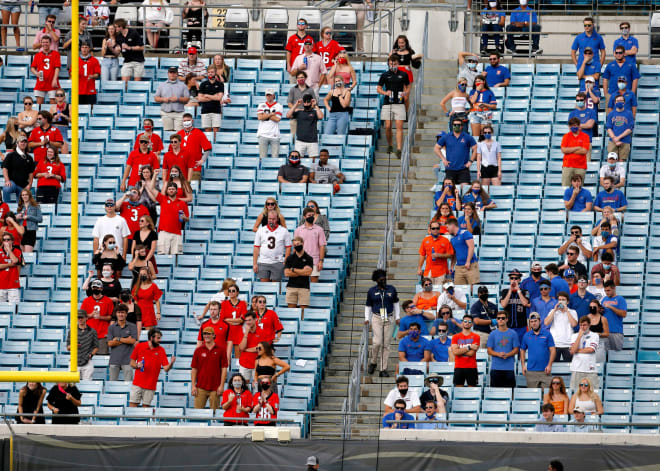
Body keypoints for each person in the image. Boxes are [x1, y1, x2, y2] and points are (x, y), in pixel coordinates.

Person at [365, 269, 400, 377]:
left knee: (386, 344)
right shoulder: (371, 291)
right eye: (381, 279)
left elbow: (396, 303)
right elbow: (368, 306)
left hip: (388, 317)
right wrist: (367, 318)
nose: (383, 280)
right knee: (377, 342)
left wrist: (397, 316)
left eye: (384, 278)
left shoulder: (391, 289)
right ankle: (373, 361)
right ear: (376, 280)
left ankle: (383, 368)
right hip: (377, 317)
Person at [130, 328, 176, 407]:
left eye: (160, 338)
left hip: (150, 385)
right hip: (137, 383)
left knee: (146, 410)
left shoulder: (161, 350)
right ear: (151, 338)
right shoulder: (140, 346)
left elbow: (166, 368)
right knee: (132, 407)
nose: (159, 340)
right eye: (158, 338)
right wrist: (137, 365)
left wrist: (171, 363)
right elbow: (132, 362)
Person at [378, 55, 410, 158]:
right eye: (391, 64)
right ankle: (390, 145)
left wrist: (406, 93)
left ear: (398, 64)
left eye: (395, 63)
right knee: (388, 126)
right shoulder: (384, 75)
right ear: (388, 64)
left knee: (399, 127)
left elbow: (408, 86)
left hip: (399, 103)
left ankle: (399, 149)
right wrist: (385, 93)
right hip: (388, 103)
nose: (393, 65)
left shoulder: (403, 74)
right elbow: (378, 88)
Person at [145, 180, 189, 255]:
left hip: (177, 233)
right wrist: (155, 175)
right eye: (169, 189)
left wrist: (184, 218)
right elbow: (151, 189)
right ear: (167, 190)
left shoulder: (182, 203)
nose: (171, 190)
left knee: (176, 256)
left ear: (176, 190)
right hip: (164, 232)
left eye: (173, 189)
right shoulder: (163, 199)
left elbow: (187, 218)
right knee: (162, 255)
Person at [191, 326, 228, 410]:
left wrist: (221, 386)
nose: (206, 335)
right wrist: (193, 386)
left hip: (215, 388)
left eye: (209, 333)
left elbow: (224, 369)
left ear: (214, 335)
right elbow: (194, 369)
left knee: (214, 414)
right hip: (200, 387)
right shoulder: (198, 350)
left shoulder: (221, 350)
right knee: (197, 413)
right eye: (204, 334)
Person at [435, 117, 477, 186]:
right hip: (450, 168)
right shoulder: (446, 137)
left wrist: (471, 161)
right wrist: (443, 159)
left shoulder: (467, 137)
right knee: (449, 188)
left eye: (458, 125)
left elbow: (475, 148)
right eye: (455, 125)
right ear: (452, 126)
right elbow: (436, 148)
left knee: (465, 189)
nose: (456, 126)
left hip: (463, 169)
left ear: (462, 126)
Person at [253, 210, 291, 283]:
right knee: (265, 286)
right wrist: (255, 263)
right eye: (270, 219)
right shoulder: (261, 230)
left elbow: (288, 247)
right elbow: (256, 247)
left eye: (273, 219)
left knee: (275, 286)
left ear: (277, 219)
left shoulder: (283, 231)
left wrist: (285, 260)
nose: (271, 221)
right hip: (263, 261)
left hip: (277, 262)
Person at [520, 312, 556, 389]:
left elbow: (553, 350)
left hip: (545, 371)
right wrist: (523, 365)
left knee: (546, 396)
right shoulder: (526, 335)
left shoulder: (547, 334)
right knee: (532, 396)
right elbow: (522, 350)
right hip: (531, 372)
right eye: (531, 322)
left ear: (539, 321)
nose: (534, 323)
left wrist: (549, 365)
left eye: (535, 321)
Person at [486, 311, 519, 388]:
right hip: (495, 368)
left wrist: (507, 354)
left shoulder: (513, 333)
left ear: (507, 319)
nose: (500, 320)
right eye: (498, 318)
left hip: (509, 368)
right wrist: (498, 354)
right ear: (496, 320)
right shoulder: (492, 334)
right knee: (495, 393)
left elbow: (516, 349)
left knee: (510, 393)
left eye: (503, 318)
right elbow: (489, 350)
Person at [286, 94, 323, 161]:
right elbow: (288, 115)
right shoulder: (299, 112)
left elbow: (320, 116)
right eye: (305, 102)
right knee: (298, 161)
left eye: (308, 102)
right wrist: (296, 104)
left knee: (313, 163)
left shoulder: (314, 112)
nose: (306, 104)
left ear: (311, 102)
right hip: (300, 141)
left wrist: (315, 105)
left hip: (312, 141)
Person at [294, 208, 326, 283]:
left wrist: (321, 261)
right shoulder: (298, 230)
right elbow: (295, 247)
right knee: (301, 284)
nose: (311, 217)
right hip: (301, 260)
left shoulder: (319, 230)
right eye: (309, 215)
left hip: (314, 260)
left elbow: (322, 246)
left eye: (312, 215)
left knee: (314, 283)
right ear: (304, 217)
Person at [544, 292, 577, 363]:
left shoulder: (573, 312)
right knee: (554, 368)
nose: (561, 301)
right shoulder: (553, 311)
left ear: (567, 302)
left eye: (563, 300)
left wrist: (567, 311)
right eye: (559, 299)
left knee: (569, 368)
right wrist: (554, 310)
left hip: (568, 344)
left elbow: (574, 324)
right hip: (555, 344)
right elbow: (546, 323)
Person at [107, 304, 138, 381]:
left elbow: (133, 341)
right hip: (114, 360)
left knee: (128, 384)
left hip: (128, 360)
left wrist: (117, 339)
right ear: (116, 314)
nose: (121, 314)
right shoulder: (111, 327)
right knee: (112, 384)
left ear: (126, 314)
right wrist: (126, 340)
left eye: (123, 312)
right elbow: (110, 343)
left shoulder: (132, 326)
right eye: (119, 312)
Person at [66, 309, 99, 381]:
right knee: (71, 384)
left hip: (87, 360)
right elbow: (68, 347)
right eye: (78, 317)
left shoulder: (92, 331)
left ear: (86, 318)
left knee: (87, 383)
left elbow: (96, 347)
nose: (80, 319)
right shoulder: (72, 330)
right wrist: (74, 346)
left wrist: (91, 354)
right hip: (74, 360)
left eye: (82, 317)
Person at [154, 67, 190, 133]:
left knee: (179, 134)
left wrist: (178, 99)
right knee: (168, 134)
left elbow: (187, 99)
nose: (172, 74)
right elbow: (156, 98)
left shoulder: (183, 85)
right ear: (168, 74)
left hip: (179, 113)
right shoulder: (162, 85)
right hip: (166, 113)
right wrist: (163, 99)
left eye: (174, 72)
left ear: (177, 74)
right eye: (171, 72)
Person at [500, 268, 530, 344]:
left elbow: (525, 303)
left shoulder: (524, 291)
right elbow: (503, 304)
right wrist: (510, 290)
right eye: (512, 278)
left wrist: (518, 290)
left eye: (516, 278)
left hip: (521, 327)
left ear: (519, 280)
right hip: (508, 326)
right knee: (508, 348)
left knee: (521, 349)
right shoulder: (505, 291)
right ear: (509, 279)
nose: (514, 280)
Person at [569, 315, 599, 390]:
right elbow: (572, 351)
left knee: (593, 392)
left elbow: (591, 349)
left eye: (584, 325)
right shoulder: (574, 336)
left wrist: (577, 350)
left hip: (590, 369)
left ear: (589, 325)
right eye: (581, 325)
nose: (582, 327)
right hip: (577, 368)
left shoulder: (594, 335)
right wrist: (579, 336)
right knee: (575, 392)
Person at [284, 237, 313, 313]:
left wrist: (293, 270)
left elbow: (308, 272)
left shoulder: (309, 258)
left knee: (304, 312)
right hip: (291, 287)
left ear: (302, 243)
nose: (297, 246)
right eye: (295, 245)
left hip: (304, 287)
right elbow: (287, 273)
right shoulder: (290, 258)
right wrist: (302, 272)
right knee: (291, 312)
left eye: (298, 244)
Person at [447, 219, 479, 286]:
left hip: (471, 265)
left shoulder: (465, 233)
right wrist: (452, 266)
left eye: (447, 227)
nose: (447, 229)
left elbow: (471, 247)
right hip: (459, 266)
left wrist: (468, 262)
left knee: (472, 287)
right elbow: (454, 254)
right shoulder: (452, 239)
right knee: (458, 288)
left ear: (452, 225)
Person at [451, 314, 481, 387]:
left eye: (469, 322)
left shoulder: (476, 337)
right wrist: (469, 347)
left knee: (472, 392)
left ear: (472, 324)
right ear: (462, 323)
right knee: (458, 391)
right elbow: (455, 352)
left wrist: (459, 350)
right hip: (459, 367)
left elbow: (471, 353)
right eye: (465, 321)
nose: (467, 323)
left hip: (471, 367)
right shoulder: (455, 337)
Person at [287, 71, 318, 139]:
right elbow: (289, 103)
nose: (300, 79)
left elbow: (314, 102)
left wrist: (306, 109)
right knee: (293, 136)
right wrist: (295, 109)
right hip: (295, 116)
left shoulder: (310, 90)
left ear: (305, 78)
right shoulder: (292, 89)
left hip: (307, 117)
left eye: (302, 77)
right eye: (298, 78)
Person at [31, 36, 61, 105]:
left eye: (47, 42)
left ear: (50, 43)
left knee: (53, 104)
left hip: (52, 82)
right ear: (41, 43)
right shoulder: (37, 55)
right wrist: (36, 73)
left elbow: (57, 67)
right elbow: (32, 68)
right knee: (39, 104)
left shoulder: (56, 54)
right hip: (41, 82)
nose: (45, 44)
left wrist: (55, 79)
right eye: (43, 42)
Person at [238, 311, 267, 382]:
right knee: (244, 386)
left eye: (250, 320)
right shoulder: (242, 332)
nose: (248, 322)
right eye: (246, 320)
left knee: (257, 386)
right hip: (244, 363)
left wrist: (247, 349)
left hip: (257, 364)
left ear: (255, 319)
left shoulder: (262, 332)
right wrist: (246, 333)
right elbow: (241, 348)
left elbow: (260, 348)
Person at [113, 18, 145, 83]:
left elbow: (142, 47)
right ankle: (125, 93)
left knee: (137, 82)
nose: (115, 29)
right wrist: (114, 48)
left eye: (116, 27)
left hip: (138, 61)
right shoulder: (118, 37)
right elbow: (117, 52)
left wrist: (129, 48)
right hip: (127, 61)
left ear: (121, 27)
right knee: (124, 82)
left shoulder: (133, 33)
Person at [220, 283, 247, 358]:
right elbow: (222, 319)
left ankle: (237, 369)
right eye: (230, 291)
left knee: (238, 356)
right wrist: (236, 321)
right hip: (227, 331)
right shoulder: (224, 303)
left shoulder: (242, 304)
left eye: (233, 291)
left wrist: (228, 319)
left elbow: (242, 320)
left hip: (238, 331)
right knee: (226, 355)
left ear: (237, 292)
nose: (231, 292)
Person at [197, 65, 224, 140]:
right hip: (205, 110)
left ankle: (216, 146)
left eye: (212, 72)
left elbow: (219, 98)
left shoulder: (220, 84)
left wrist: (207, 95)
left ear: (215, 72)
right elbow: (200, 98)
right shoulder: (203, 84)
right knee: (207, 132)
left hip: (216, 111)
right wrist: (213, 97)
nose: (210, 74)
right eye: (209, 72)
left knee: (216, 131)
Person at [560, 118, 589, 187]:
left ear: (579, 126)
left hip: (580, 167)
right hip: (567, 166)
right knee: (565, 187)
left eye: (575, 125)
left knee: (579, 188)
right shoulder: (566, 136)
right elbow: (563, 150)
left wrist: (569, 150)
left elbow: (584, 151)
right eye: (571, 125)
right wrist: (577, 147)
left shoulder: (585, 136)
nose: (573, 127)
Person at [605, 94, 634, 161]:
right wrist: (614, 139)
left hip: (625, 140)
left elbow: (630, 128)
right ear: (615, 102)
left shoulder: (629, 113)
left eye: (621, 100)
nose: (619, 102)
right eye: (618, 101)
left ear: (624, 102)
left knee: (622, 162)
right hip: (613, 141)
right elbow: (608, 128)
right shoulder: (611, 114)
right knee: (612, 160)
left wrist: (618, 138)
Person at [257, 89, 283, 159]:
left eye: (270, 95)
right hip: (263, 134)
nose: (268, 97)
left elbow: (277, 119)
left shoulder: (278, 106)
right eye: (267, 95)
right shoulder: (261, 105)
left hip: (274, 134)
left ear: (273, 96)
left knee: (275, 157)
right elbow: (260, 117)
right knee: (262, 157)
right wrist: (271, 114)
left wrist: (265, 114)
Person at [602, 280, 626, 352]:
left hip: (616, 331)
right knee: (604, 357)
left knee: (616, 355)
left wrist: (611, 307)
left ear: (614, 288)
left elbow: (624, 314)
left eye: (608, 290)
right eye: (605, 291)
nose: (607, 292)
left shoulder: (620, 299)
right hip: (605, 332)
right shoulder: (604, 299)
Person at [15, 188, 41, 253]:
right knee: (21, 255)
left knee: (27, 255)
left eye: (26, 195)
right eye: (23, 195)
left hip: (30, 232)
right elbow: (15, 222)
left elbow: (40, 219)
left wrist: (29, 217)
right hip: (21, 232)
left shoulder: (36, 206)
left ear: (29, 195)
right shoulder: (20, 207)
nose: (24, 196)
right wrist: (16, 218)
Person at [585, 298, 609, 364]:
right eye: (591, 307)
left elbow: (607, 334)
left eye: (594, 307)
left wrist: (598, 334)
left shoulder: (603, 319)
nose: (592, 308)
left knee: (599, 364)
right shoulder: (586, 318)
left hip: (599, 343)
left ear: (598, 308)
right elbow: (582, 330)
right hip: (588, 343)